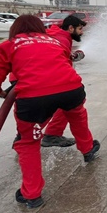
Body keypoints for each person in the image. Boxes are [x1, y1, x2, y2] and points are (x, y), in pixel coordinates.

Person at [0, 15, 100, 209]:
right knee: (78, 117)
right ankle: (88, 151)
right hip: (71, 89)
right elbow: (63, 63)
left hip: (34, 97)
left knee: (28, 142)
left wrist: (0, 92)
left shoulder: (8, 45)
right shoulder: (53, 41)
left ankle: (32, 194)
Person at [41, 15, 87, 147]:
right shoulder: (62, 39)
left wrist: (72, 56)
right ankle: (52, 134)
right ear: (70, 28)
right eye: (79, 29)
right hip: (40, 79)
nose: (81, 32)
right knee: (72, 100)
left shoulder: (56, 35)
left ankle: (22, 137)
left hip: (31, 77)